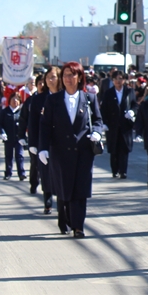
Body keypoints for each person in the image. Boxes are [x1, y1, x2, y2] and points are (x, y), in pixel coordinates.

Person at [38, 62, 104, 238]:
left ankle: (78, 226)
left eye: (72, 75)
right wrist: (42, 149)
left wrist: (97, 133)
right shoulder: (53, 100)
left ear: (79, 77)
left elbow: (98, 120)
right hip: (60, 151)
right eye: (65, 75)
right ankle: (64, 220)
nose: (68, 78)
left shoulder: (88, 98)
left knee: (80, 189)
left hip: (83, 151)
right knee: (64, 189)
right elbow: (45, 126)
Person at [29, 67, 61, 215]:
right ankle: (47, 200)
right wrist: (33, 144)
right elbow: (33, 123)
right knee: (46, 173)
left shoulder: (65, 96)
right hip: (44, 141)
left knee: (61, 175)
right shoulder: (38, 99)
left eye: (53, 77)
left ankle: (63, 204)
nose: (50, 80)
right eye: (48, 78)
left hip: (62, 142)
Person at [101, 71, 138, 179]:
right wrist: (104, 123)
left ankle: (123, 171)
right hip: (112, 125)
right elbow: (103, 109)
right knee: (114, 150)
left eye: (121, 78)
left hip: (125, 125)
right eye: (116, 79)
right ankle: (114, 170)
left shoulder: (129, 91)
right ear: (112, 80)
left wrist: (132, 112)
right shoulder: (108, 93)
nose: (118, 81)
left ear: (124, 80)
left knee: (124, 149)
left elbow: (135, 105)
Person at [0, 93, 26, 180]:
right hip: (8, 138)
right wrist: (2, 133)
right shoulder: (5, 111)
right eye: (13, 99)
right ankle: (8, 173)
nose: (15, 101)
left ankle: (21, 173)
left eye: (17, 99)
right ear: (9, 100)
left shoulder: (22, 112)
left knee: (19, 155)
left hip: (19, 138)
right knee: (9, 156)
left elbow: (27, 124)